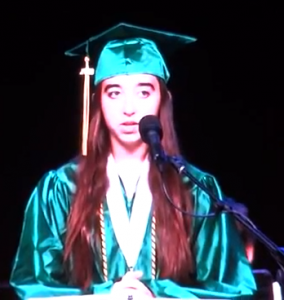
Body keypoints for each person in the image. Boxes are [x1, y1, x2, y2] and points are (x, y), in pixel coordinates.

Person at [10, 23, 257, 299]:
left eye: (144, 91)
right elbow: (31, 287)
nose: (129, 108)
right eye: (114, 92)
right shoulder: (60, 189)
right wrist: (103, 296)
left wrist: (157, 295)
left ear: (163, 99)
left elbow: (234, 289)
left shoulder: (195, 190)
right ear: (98, 102)